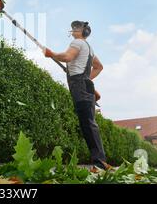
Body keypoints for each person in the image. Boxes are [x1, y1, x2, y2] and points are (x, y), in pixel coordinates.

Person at [43, 21, 109, 170]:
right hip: (84, 85)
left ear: (83, 31)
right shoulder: (89, 48)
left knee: (88, 124)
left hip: (79, 86)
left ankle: (100, 163)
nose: (73, 30)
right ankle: (100, 162)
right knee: (89, 123)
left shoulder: (77, 43)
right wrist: (86, 79)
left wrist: (52, 54)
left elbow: (67, 57)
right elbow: (99, 67)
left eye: (76, 28)